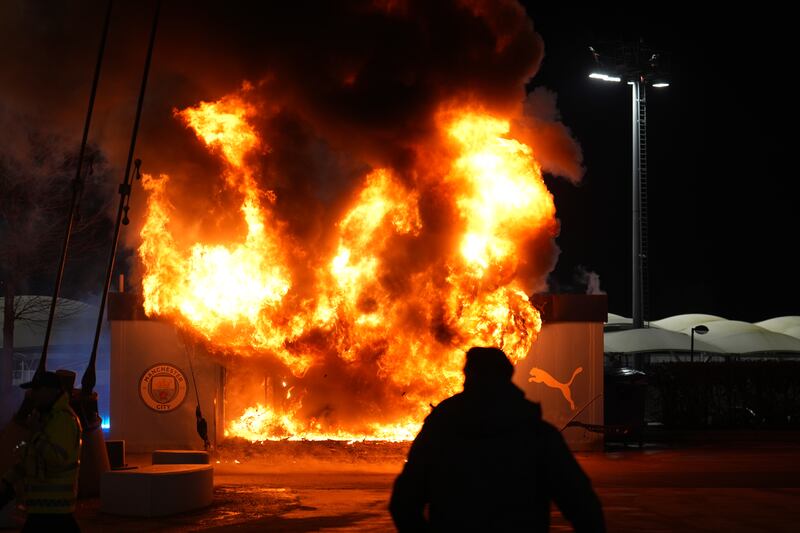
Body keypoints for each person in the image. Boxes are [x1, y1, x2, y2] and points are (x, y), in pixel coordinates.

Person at [390, 347, 605, 532]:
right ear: (507, 377)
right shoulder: (536, 433)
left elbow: (403, 503)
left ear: (467, 376)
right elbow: (582, 504)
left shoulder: (440, 430)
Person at [0, 371, 83, 532]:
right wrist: (8, 481)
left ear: (51, 391)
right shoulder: (44, 418)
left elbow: (56, 459)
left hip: (54, 512)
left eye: (37, 389)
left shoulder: (63, 421)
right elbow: (29, 458)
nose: (32, 394)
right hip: (43, 510)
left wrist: (36, 435)